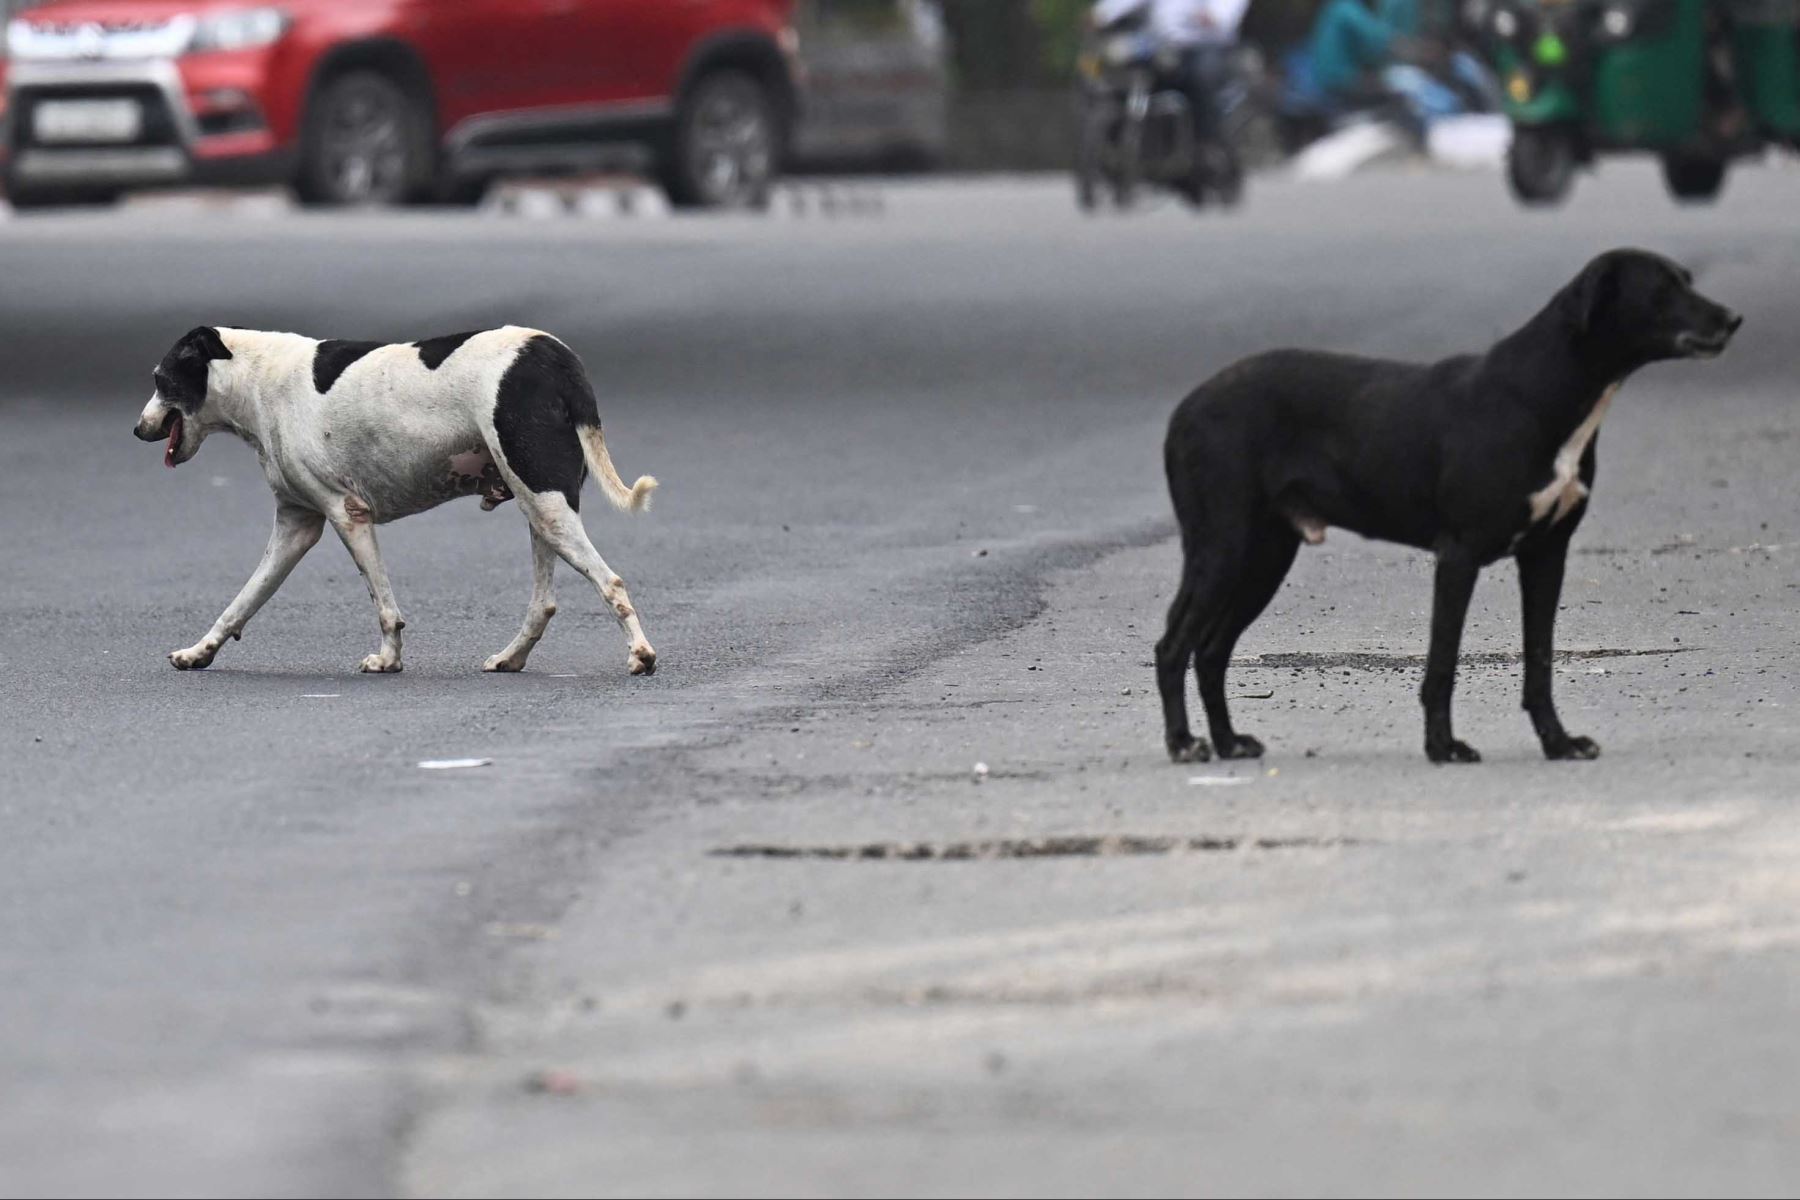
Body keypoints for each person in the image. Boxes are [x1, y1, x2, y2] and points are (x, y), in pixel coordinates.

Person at [1091, 0, 1252, 157]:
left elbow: (1225, 12)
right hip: (1161, 49)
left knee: (1201, 78)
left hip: (1204, 46)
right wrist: (1100, 14)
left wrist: (1213, 16)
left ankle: (1207, 145)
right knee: (1122, 70)